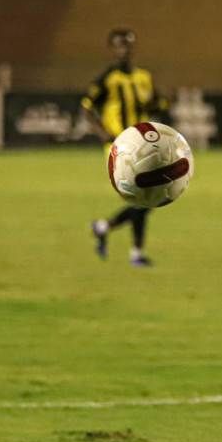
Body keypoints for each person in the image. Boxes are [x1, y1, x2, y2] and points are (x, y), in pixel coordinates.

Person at [82, 28, 169, 267]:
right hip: (119, 147)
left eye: (127, 45)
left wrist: (163, 106)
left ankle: (109, 232)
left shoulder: (144, 77)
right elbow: (87, 109)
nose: (124, 50)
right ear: (112, 49)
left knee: (146, 199)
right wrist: (104, 134)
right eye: (119, 45)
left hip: (143, 146)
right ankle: (131, 249)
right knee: (147, 198)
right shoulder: (107, 79)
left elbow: (156, 104)